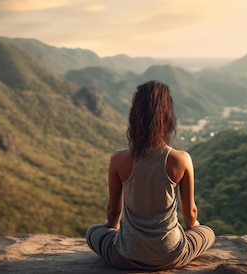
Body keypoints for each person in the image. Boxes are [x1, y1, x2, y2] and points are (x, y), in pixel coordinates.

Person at [86, 80, 215, 271]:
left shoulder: (118, 159)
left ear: (134, 117)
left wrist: (111, 228)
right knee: (208, 233)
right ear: (167, 117)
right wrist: (193, 226)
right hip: (171, 255)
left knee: (92, 232)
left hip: (125, 256)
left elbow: (114, 211)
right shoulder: (181, 159)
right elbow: (190, 214)